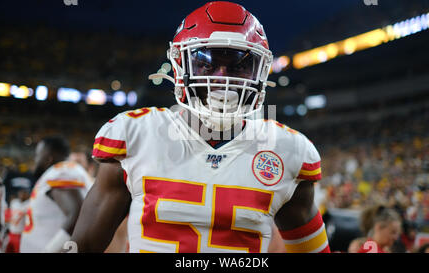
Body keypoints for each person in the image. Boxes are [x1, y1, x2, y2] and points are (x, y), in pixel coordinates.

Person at [71, 1, 330, 253]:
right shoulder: (136, 136)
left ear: (259, 72)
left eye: (238, 66)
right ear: (180, 66)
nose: (221, 77)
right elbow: (83, 246)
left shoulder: (289, 151)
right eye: (207, 63)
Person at [20, 136, 93, 252]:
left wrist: (50, 250)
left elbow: (77, 213)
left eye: (38, 155)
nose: (35, 159)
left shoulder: (61, 171)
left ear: (48, 158)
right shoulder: (63, 171)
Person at [5, 187, 30, 253]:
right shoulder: (14, 202)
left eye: (25, 192)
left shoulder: (29, 204)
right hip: (11, 233)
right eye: (21, 192)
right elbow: (9, 214)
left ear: (28, 194)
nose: (22, 194)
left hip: (21, 234)